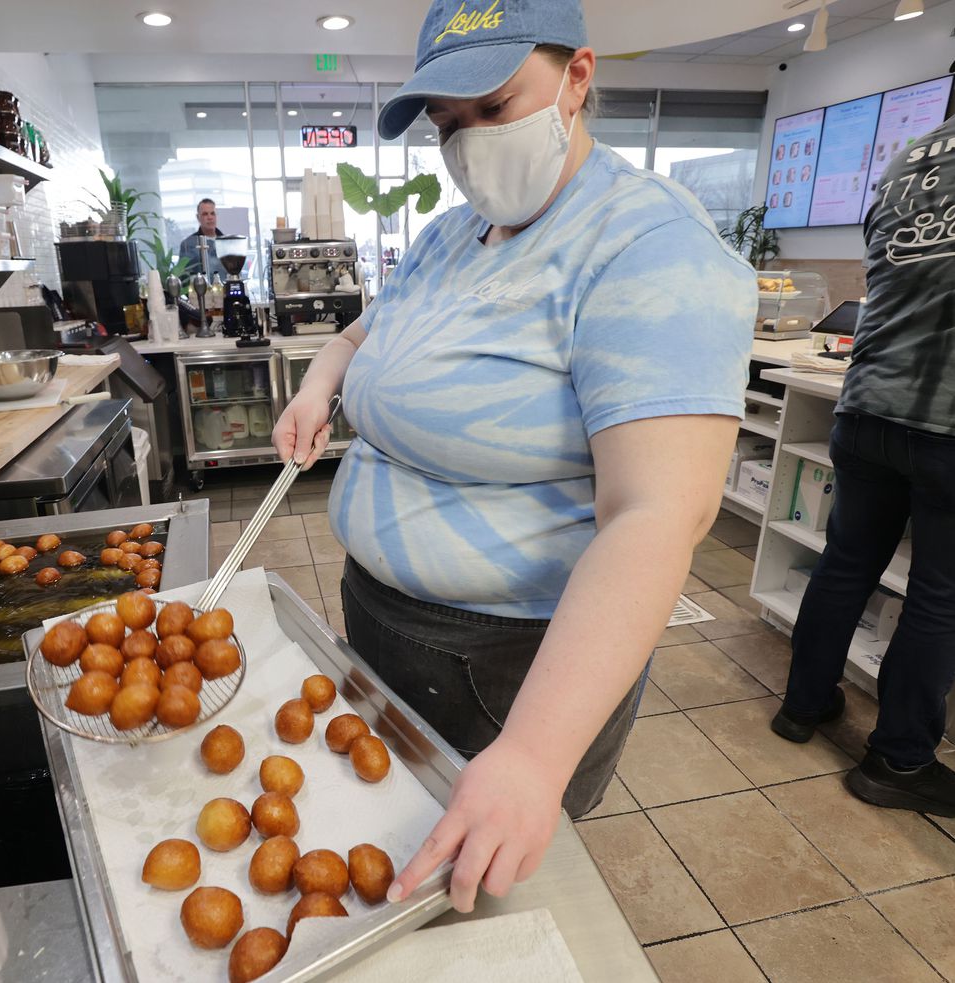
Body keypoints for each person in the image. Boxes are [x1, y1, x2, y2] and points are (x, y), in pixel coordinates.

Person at [273, 0, 754, 913]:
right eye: (448, 127)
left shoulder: (647, 244)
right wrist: (318, 385)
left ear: (576, 77)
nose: (470, 144)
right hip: (382, 625)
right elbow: (366, 334)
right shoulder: (452, 237)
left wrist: (532, 755)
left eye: (493, 107)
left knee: (463, 903)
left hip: (508, 668)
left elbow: (658, 514)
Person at [772, 112, 955, 818]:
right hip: (945, 420)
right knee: (939, 596)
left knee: (847, 561)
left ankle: (803, 704)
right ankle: (900, 760)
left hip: (867, 401)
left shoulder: (907, 160)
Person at [179, 198, 227, 279]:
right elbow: (183, 276)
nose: (210, 217)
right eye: (205, 214)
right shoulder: (188, 245)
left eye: (212, 213)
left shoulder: (227, 242)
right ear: (198, 217)